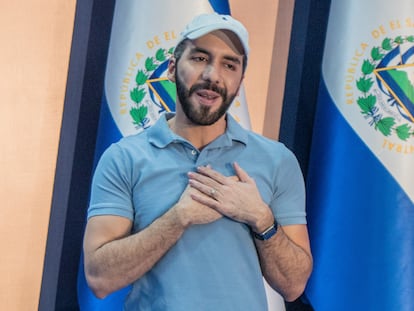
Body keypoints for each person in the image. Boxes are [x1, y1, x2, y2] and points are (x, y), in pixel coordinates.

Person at [83, 12, 312, 310]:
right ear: (172, 67)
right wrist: (177, 219)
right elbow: (100, 279)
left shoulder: (277, 160)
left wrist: (261, 218)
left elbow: (293, 285)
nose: (212, 76)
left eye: (229, 65)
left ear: (239, 81)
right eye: (200, 58)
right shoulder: (124, 158)